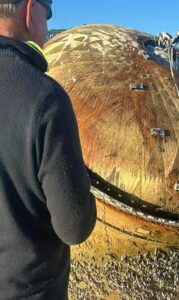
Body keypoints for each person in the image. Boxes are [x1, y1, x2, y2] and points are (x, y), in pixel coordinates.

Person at [0, 0, 96, 299]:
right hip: (30, 288)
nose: (49, 23)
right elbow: (73, 227)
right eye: (49, 12)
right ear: (29, 10)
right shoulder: (45, 98)